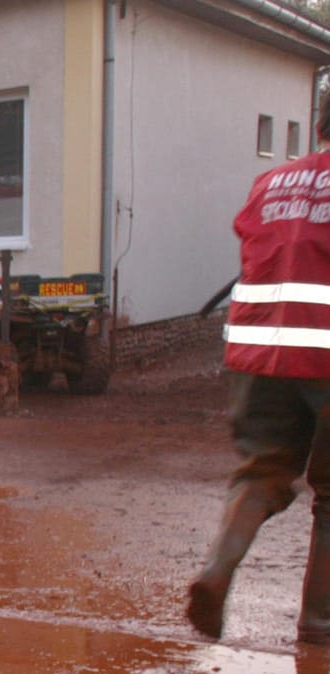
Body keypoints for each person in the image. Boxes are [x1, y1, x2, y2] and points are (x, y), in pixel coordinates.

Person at [188, 92, 330, 646]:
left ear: (319, 124)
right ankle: (319, 622)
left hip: (259, 351)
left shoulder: (270, 184)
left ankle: (217, 570)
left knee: (260, 471)